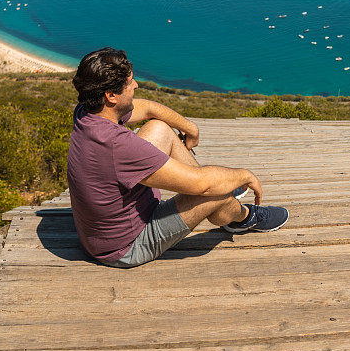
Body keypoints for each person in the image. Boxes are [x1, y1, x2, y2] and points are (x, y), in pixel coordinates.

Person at [67, 47, 289, 268]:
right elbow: (203, 186)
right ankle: (243, 218)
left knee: (160, 129)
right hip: (126, 247)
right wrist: (245, 175)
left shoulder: (88, 112)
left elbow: (147, 108)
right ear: (111, 96)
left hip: (104, 233)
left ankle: (223, 200)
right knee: (213, 193)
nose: (136, 85)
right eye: (130, 82)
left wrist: (189, 127)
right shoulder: (117, 145)